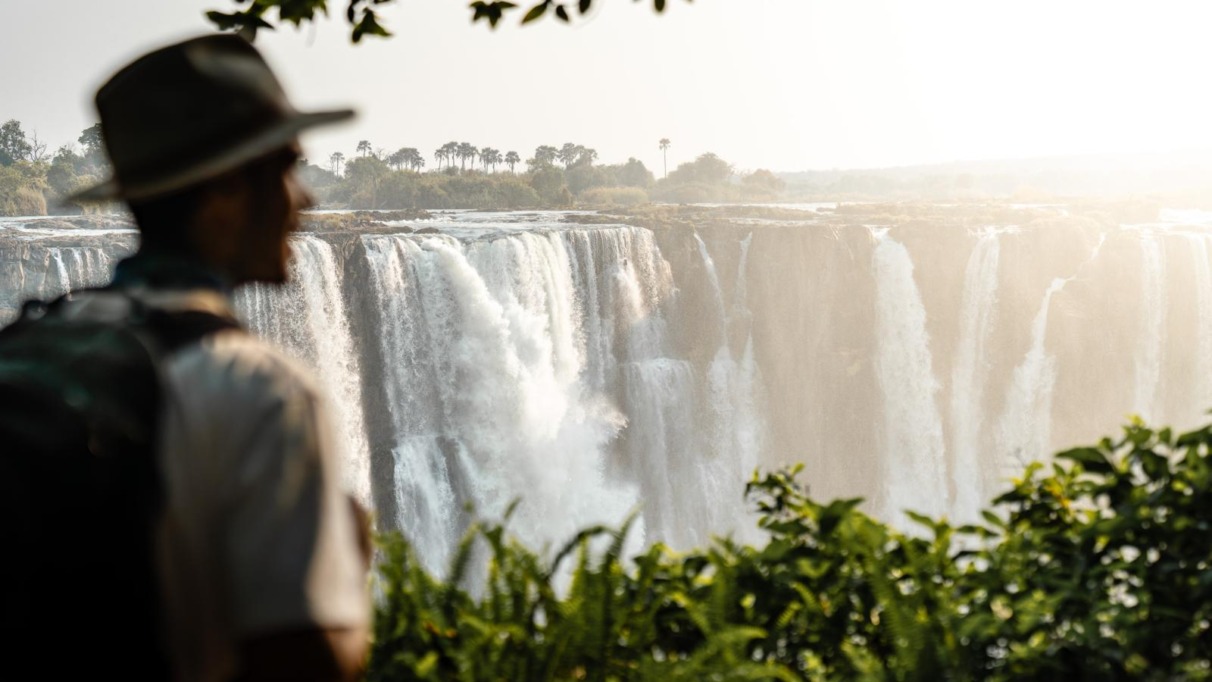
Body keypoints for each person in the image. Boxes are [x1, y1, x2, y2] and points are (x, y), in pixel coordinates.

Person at [63, 34, 370, 681]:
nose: (305, 200)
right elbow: (306, 665)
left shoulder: (46, 342)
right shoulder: (261, 390)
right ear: (227, 189)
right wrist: (354, 565)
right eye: (287, 169)